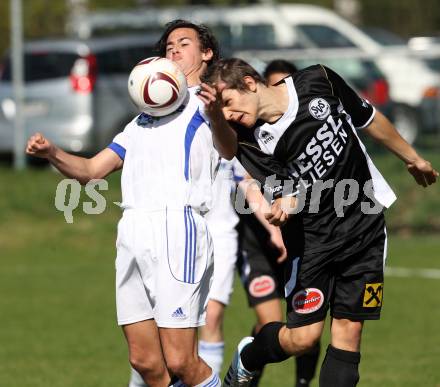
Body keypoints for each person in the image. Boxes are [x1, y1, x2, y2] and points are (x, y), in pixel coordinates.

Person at [198, 58, 438, 386]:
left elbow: (367, 118)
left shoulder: (319, 79)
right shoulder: (248, 138)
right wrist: (284, 202)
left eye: (228, 102)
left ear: (251, 84)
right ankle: (250, 356)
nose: (227, 113)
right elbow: (285, 188)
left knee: (349, 331)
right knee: (303, 339)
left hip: (364, 227)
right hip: (312, 242)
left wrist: (413, 158)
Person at [27, 19, 223, 387]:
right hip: (132, 230)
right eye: (168, 47)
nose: (174, 51)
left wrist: (218, 115)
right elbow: (90, 171)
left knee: (182, 360)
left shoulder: (209, 104)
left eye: (184, 44)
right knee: (145, 362)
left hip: (177, 227)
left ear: (206, 53)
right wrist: (51, 151)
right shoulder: (141, 122)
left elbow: (228, 147)